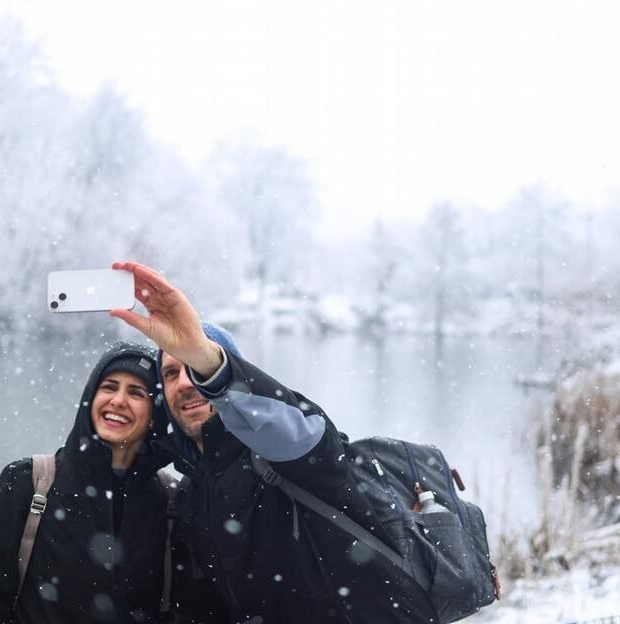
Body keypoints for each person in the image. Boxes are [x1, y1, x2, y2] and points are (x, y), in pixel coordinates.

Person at [111, 261, 439, 624]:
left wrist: (206, 360)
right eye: (171, 373)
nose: (186, 383)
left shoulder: (282, 454)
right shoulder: (191, 492)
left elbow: (299, 431)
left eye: (194, 369)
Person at [0, 341, 173, 623]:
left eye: (136, 393)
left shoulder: (170, 501)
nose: (118, 400)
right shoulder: (28, 483)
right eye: (109, 387)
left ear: (155, 416)